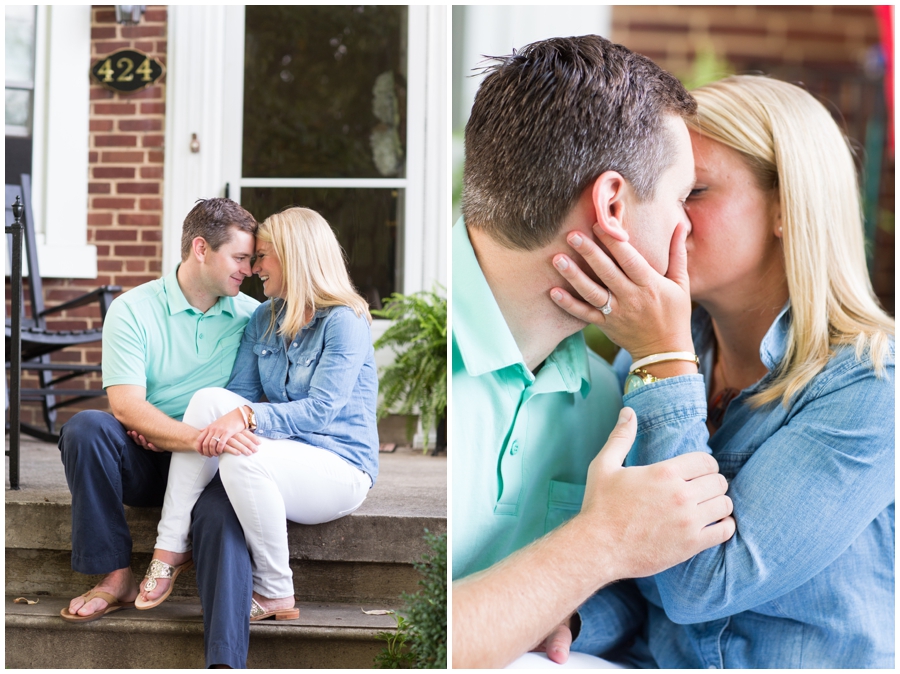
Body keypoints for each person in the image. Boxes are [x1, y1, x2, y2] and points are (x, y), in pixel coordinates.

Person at [550, 75, 895, 668]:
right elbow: (643, 577)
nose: (663, 217)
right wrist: (567, 622)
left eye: (694, 191)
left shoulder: (871, 385)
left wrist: (663, 358)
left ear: (787, 207)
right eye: (658, 191)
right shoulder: (657, 355)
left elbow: (702, 585)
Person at [452, 35, 736, 669]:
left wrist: (564, 608)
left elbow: (632, 604)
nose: (687, 229)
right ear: (612, 204)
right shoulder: (421, 356)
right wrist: (599, 543)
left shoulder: (604, 402)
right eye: (682, 197)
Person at [131, 206, 379, 623]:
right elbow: (236, 397)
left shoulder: (345, 319)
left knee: (243, 459)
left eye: (261, 256)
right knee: (211, 400)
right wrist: (179, 432)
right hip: (288, 454)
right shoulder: (264, 318)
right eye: (250, 258)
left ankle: (277, 590)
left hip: (340, 466)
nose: (253, 268)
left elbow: (321, 410)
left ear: (294, 256)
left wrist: (245, 417)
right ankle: (170, 546)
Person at [58, 198, 262, 668]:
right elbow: (125, 405)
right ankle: (115, 576)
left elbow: (256, 401)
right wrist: (185, 436)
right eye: (240, 258)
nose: (248, 271)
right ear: (200, 249)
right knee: (86, 428)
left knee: (221, 516)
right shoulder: (133, 309)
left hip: (213, 468)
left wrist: (184, 438)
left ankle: (225, 658)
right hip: (146, 460)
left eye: (252, 260)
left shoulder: (253, 318)